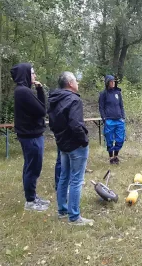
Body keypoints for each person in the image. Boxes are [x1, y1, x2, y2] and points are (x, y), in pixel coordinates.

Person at [48, 72, 94, 226]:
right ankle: (74, 217)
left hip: (62, 144)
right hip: (75, 145)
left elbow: (52, 123)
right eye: (76, 80)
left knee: (64, 177)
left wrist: (60, 138)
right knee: (76, 180)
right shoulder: (74, 99)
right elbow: (75, 124)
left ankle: (62, 210)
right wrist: (84, 140)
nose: (77, 83)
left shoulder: (54, 99)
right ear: (70, 83)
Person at [11, 63, 50, 212]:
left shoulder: (23, 91)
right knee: (33, 168)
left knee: (30, 166)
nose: (34, 75)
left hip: (30, 134)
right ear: (25, 74)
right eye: (32, 73)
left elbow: (39, 108)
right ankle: (30, 202)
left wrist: (38, 89)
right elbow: (42, 110)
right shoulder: (23, 92)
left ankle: (32, 196)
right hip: (31, 136)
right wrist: (40, 90)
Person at [99, 75, 126, 164]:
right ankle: (111, 158)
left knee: (120, 139)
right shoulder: (103, 94)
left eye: (114, 81)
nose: (113, 83)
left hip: (119, 119)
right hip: (109, 120)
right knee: (109, 139)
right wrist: (104, 119)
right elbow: (101, 107)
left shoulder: (118, 93)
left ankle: (116, 156)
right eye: (111, 82)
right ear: (107, 83)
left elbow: (121, 105)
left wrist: (123, 117)